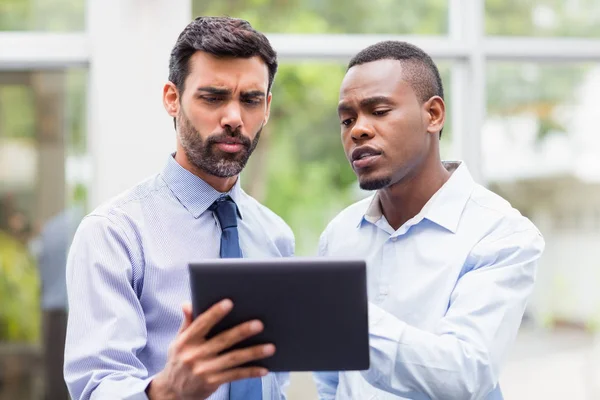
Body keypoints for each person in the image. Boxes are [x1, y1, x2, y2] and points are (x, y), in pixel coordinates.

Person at [64, 16, 294, 400]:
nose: (234, 118)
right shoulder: (114, 233)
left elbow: (275, 381)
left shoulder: (276, 235)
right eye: (213, 97)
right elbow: (96, 387)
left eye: (250, 100)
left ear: (267, 107)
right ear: (173, 98)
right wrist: (167, 391)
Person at [313, 40, 545, 399]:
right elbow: (331, 381)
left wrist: (347, 317)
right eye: (347, 119)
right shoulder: (338, 236)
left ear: (433, 115)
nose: (357, 130)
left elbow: (464, 374)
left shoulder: (500, 233)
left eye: (379, 110)